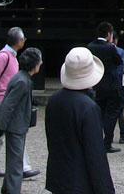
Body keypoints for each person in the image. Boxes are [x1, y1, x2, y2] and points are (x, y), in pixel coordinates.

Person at [45, 47, 114, 194]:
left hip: (58, 176)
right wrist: (105, 189)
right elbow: (95, 154)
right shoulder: (88, 108)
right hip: (81, 181)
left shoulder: (54, 100)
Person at [0, 27, 38, 179]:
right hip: (3, 99)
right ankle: (21, 167)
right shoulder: (4, 56)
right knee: (9, 132)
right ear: (18, 41)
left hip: (7, 98)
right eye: (23, 38)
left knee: (7, 133)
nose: (24, 41)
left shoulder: (11, 55)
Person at [0, 47, 42, 194]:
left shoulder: (21, 77)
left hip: (15, 125)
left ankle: (7, 188)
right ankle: (13, 190)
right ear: (34, 64)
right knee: (16, 162)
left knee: (14, 160)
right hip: (15, 126)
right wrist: (1, 127)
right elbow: (9, 105)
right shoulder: (22, 81)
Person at [88, 21, 124, 153]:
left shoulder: (90, 46)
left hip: (97, 83)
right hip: (111, 84)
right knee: (111, 114)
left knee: (99, 112)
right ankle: (107, 142)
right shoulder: (110, 47)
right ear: (109, 34)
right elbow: (118, 61)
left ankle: (96, 140)